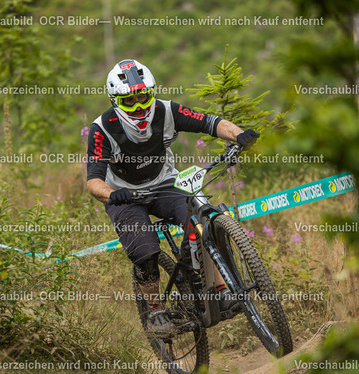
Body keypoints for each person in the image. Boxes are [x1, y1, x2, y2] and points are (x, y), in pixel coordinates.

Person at [86, 59, 259, 335]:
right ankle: (155, 310)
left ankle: (219, 289)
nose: (139, 106)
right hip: (125, 195)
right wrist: (113, 194)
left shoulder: (166, 111)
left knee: (201, 220)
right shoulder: (102, 129)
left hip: (165, 182)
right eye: (129, 101)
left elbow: (211, 123)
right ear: (114, 101)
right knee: (144, 250)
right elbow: (93, 181)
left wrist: (239, 135)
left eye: (143, 97)